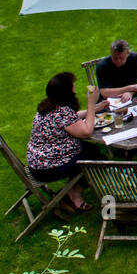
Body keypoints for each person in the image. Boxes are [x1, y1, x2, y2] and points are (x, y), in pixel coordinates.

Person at [27, 72, 99, 210]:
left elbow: (70, 119)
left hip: (37, 162)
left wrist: (95, 109)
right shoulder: (62, 112)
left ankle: (70, 192)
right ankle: (75, 196)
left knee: (91, 149)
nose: (75, 90)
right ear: (66, 92)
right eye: (73, 87)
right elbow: (86, 131)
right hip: (48, 168)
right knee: (94, 157)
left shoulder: (48, 105)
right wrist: (91, 104)